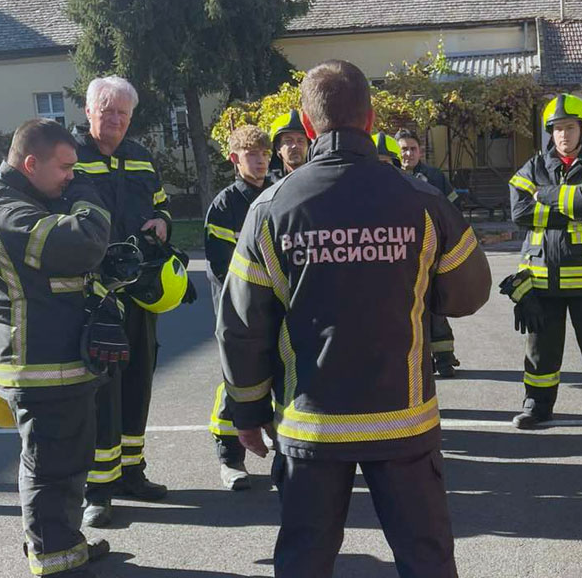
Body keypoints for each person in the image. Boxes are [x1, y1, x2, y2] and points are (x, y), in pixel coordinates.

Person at [216, 59, 491, 577]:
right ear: (370, 120)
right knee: (426, 558)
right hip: (403, 421)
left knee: (305, 560)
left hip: (311, 426)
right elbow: (469, 294)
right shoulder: (422, 199)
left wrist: (247, 413)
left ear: (306, 122)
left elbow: (241, 325)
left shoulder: (270, 209)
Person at [0, 119, 117, 577]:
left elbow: (50, 277)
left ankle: (59, 545)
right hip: (40, 367)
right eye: (66, 167)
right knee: (51, 469)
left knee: (62, 465)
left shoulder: (18, 200)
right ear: (30, 163)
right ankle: (54, 559)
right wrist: (88, 195)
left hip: (51, 363)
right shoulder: (7, 211)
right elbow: (83, 242)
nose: (72, 175)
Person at [73, 76, 172, 527]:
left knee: (138, 383)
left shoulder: (140, 157)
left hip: (138, 292)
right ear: (89, 109)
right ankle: (100, 488)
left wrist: (164, 222)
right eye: (107, 111)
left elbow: (160, 204)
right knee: (101, 394)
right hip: (93, 296)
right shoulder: (70, 157)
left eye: (123, 115)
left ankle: (133, 472)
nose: (114, 121)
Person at [506, 94, 582, 433]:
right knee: (540, 350)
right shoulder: (533, 166)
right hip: (540, 279)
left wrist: (543, 196)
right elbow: (519, 213)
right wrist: (568, 211)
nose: (563, 135)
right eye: (557, 129)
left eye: (569, 127)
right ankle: (537, 406)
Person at [204, 125, 273, 490]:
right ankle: (230, 459)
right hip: (236, 310)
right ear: (234, 159)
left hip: (272, 308)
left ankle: (282, 453)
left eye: (264, 153)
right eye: (251, 154)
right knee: (235, 381)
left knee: (276, 375)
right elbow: (222, 266)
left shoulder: (278, 194)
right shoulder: (225, 205)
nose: (260, 160)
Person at [396, 128, 461, 377]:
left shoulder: (434, 176)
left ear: (420, 151)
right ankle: (416, 361)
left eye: (413, 149)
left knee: (436, 307)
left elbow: (453, 208)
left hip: (432, 252)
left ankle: (445, 359)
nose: (409, 153)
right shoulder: (389, 175)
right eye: (404, 149)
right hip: (402, 255)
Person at [268, 110, 309, 181]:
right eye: (289, 141)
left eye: (300, 141)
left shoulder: (320, 178)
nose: (295, 146)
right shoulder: (268, 183)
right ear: (278, 147)